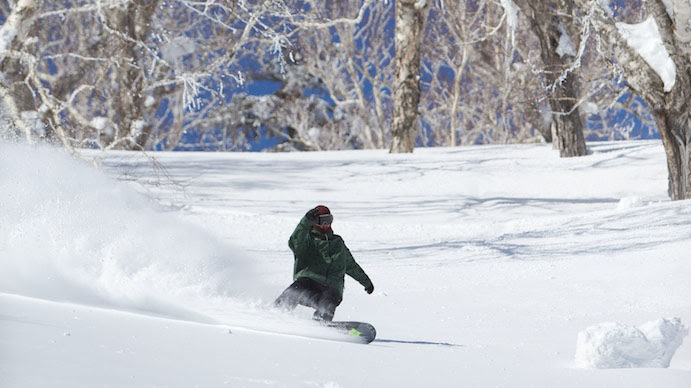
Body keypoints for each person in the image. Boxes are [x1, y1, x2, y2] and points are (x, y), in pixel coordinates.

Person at [274, 205, 374, 321]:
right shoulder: (307, 240)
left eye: (329, 220)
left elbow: (351, 265)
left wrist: (366, 282)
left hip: (332, 287)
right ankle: (276, 313)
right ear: (315, 222)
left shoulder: (338, 242)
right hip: (309, 281)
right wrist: (305, 222)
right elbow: (295, 242)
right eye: (323, 220)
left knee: (327, 304)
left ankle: (321, 323)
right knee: (294, 291)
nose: (327, 224)